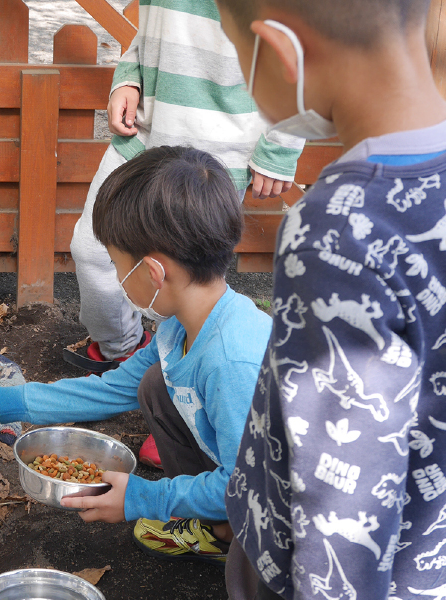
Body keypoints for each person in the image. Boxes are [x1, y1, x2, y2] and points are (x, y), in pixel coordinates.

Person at [0, 145, 273, 565]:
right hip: (248, 474)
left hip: (287, 510)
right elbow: (113, 390)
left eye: (114, 265)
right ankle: (219, 530)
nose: (116, 279)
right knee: (153, 385)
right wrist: (4, 400)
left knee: (255, 570)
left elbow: (248, 486)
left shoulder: (232, 361)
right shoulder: (183, 322)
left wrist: (146, 498)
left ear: (152, 273)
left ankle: (242, 544)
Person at [211, 0, 446, 598]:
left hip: (305, 564)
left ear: (284, 54)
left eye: (242, 57)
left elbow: (343, 491)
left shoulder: (334, 230)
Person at [69, 0, 304, 371]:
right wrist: (130, 75)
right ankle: (124, 353)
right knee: (91, 249)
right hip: (144, 133)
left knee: (186, 283)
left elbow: (311, 47)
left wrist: (282, 145)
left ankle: (176, 388)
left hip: (217, 150)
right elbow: (158, 20)